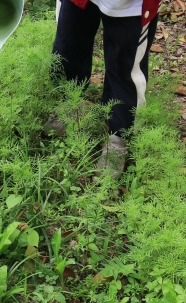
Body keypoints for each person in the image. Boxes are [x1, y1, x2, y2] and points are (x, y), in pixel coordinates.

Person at [51, 0, 160, 178]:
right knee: (68, 47)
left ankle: (118, 137)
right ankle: (67, 104)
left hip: (129, 4)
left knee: (125, 65)